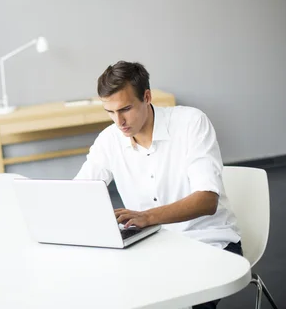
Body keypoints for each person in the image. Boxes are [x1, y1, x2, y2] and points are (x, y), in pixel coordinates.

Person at [75, 61, 241, 309]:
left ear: (147, 96)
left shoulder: (191, 123)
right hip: (149, 247)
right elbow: (80, 192)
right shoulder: (109, 140)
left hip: (208, 243)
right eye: (110, 112)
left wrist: (147, 217)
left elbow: (207, 200)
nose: (118, 121)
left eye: (126, 109)